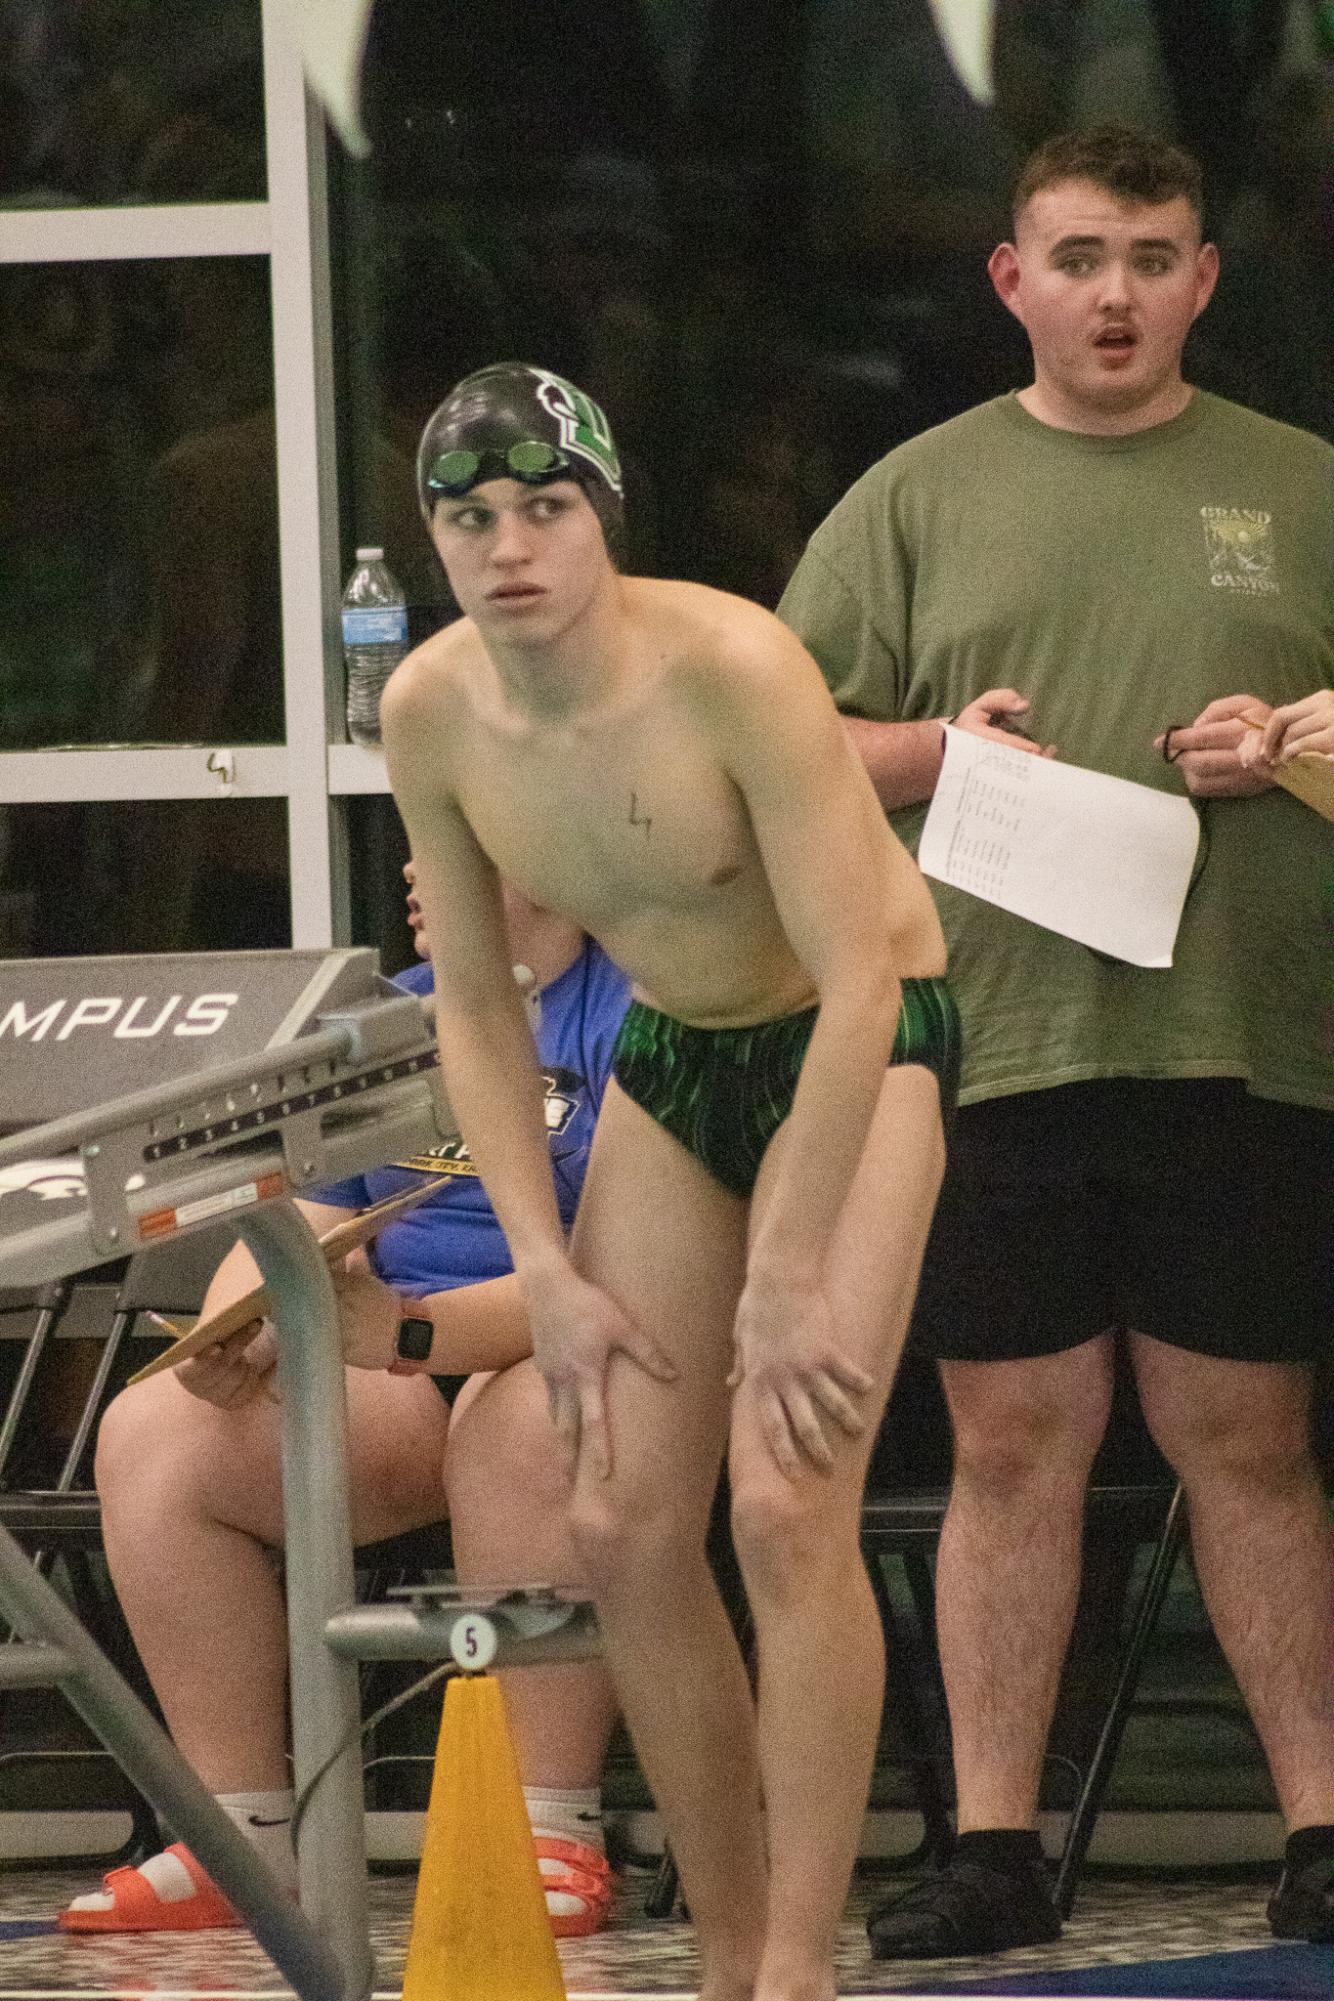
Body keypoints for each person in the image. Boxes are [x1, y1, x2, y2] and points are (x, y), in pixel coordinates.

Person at [777, 124, 1334, 1958]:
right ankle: (991, 1845)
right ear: (1008, 279)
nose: (1114, 293)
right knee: (1008, 1437)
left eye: (1150, 256)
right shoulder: (913, 495)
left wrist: (1292, 743)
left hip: (1238, 1034)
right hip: (992, 1036)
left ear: (1201, 278)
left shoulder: (1299, 482)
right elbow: (780, 742)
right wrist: (938, 750)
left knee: (1239, 1434)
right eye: (1077, 256)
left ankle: (1319, 1828)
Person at [382, 361, 957, 2001]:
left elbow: (859, 979)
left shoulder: (729, 666)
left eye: (543, 507)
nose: (508, 545)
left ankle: (793, 1966)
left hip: (862, 1042)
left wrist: (784, 1260)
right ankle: (718, 1953)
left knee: (782, 1499)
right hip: (679, 1059)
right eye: (468, 515)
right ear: (434, 537)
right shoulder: (428, 710)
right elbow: (477, 1008)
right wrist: (542, 1272)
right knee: (623, 1522)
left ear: (600, 516)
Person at [61, 870, 629, 1937]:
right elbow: (298, 1217)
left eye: (449, 836)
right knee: (157, 1438)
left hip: (582, 1353)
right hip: (401, 1356)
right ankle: (239, 1840)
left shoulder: (643, 1001)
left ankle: (548, 1830)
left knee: (522, 1424)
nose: (414, 869)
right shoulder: (390, 1016)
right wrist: (235, 1337)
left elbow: (617, 1275)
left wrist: (409, 1331)